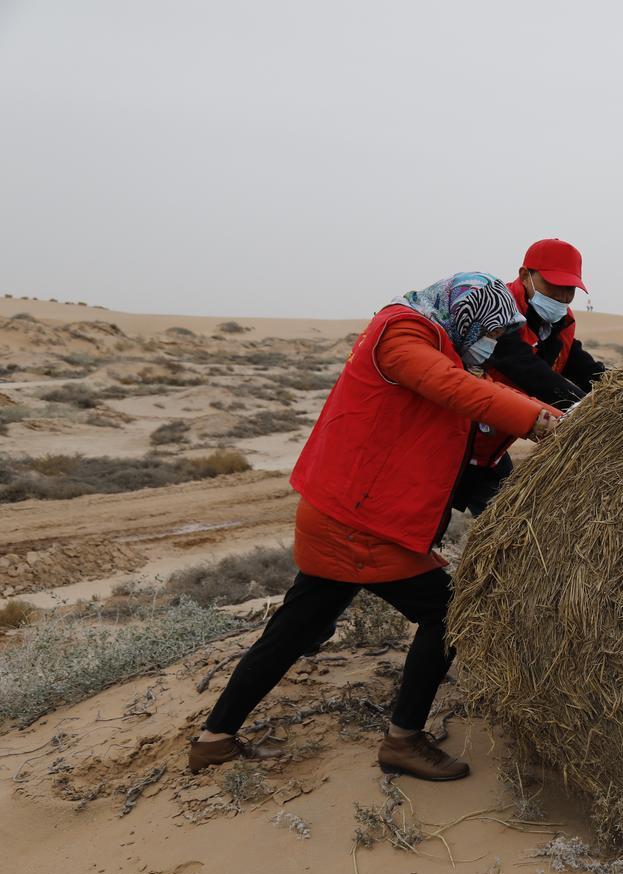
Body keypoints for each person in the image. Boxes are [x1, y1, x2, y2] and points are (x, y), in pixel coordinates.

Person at [188, 272, 562, 781]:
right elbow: (453, 388)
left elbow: (465, 389)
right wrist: (541, 420)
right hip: (361, 524)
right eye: (490, 333)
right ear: (466, 317)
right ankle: (404, 740)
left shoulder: (431, 338)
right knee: (450, 612)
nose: (491, 345)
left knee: (294, 627)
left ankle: (214, 739)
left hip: (344, 512)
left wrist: (550, 405)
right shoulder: (401, 336)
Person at [450, 239, 606, 516]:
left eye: (569, 289)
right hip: (451, 441)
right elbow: (525, 369)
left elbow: (576, 363)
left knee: (507, 523)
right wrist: (588, 411)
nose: (561, 296)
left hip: (490, 452)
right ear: (525, 275)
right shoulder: (496, 312)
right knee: (422, 528)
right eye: (553, 285)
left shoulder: (560, 323)